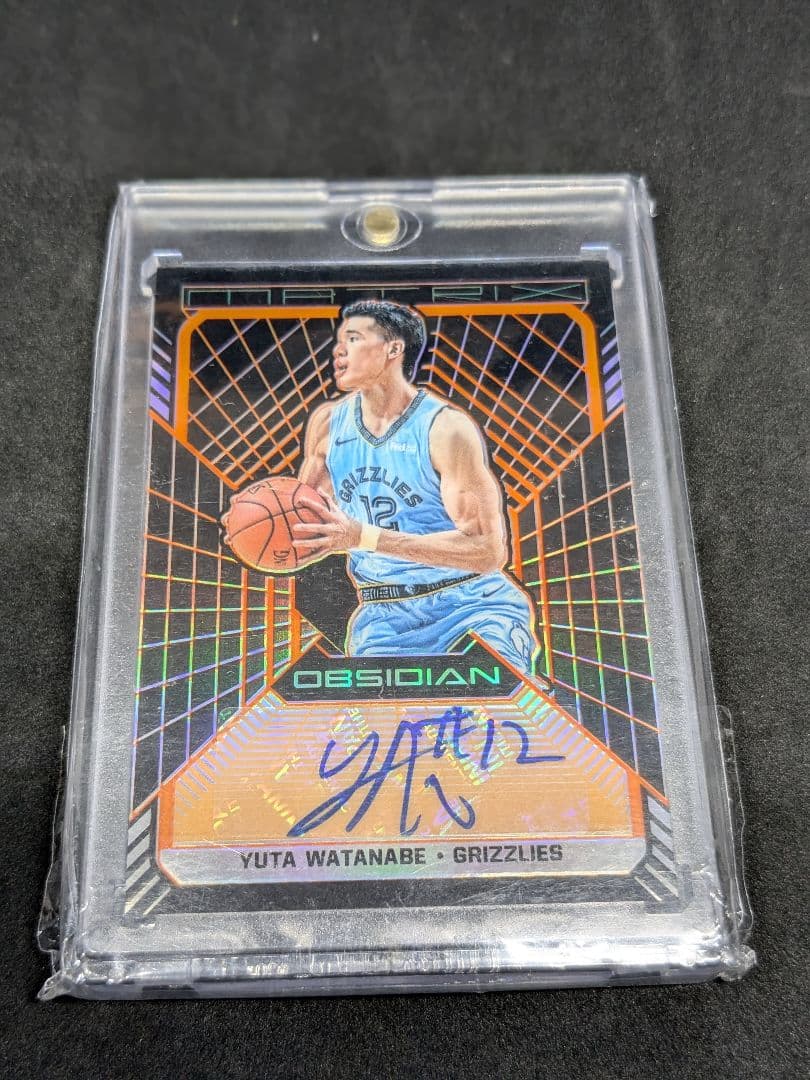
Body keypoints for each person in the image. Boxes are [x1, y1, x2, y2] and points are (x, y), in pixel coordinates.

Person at [292, 299, 540, 675]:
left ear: (393, 348)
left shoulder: (445, 428)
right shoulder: (328, 424)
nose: (338, 350)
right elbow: (298, 520)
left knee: (488, 706)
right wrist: (254, 528)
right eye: (339, 341)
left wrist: (364, 537)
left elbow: (488, 551)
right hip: (383, 617)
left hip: (471, 604)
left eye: (353, 339)